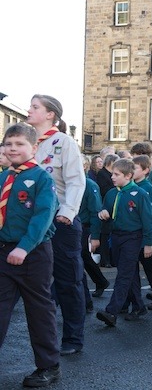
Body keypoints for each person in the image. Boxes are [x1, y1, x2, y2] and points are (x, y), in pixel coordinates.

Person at [0, 123, 61, 388]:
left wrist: (24, 247)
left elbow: (43, 217)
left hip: (33, 254)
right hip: (4, 253)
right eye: (8, 144)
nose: (13, 149)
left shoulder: (42, 178)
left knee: (39, 311)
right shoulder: (3, 178)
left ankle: (48, 366)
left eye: (20, 144)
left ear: (34, 147)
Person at [26, 94, 86, 356]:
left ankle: (73, 336)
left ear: (50, 114)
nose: (29, 110)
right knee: (30, 283)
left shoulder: (64, 143)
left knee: (67, 281)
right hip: (31, 223)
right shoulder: (27, 143)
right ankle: (40, 338)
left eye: (35, 107)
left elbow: (75, 180)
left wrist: (68, 211)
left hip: (60, 221)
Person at [96, 159, 152, 326]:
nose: (112, 177)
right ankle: (138, 305)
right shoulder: (112, 193)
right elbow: (104, 211)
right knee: (128, 272)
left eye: (117, 174)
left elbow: (148, 220)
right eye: (112, 174)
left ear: (129, 176)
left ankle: (111, 311)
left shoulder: (140, 194)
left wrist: (148, 242)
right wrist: (104, 214)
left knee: (123, 274)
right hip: (116, 237)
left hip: (133, 237)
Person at [131, 155, 152, 311]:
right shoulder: (130, 186)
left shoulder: (148, 188)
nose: (132, 170)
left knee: (150, 266)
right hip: (132, 234)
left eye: (136, 168)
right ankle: (131, 298)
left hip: (145, 233)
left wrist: (149, 239)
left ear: (145, 171)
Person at [79, 169, 110, 308]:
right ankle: (100, 281)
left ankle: (85, 299)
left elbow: (95, 211)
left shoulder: (90, 185)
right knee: (83, 258)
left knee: (79, 259)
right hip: (73, 227)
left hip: (83, 227)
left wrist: (95, 235)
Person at [96, 153, 118, 267]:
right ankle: (105, 259)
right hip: (106, 206)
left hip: (113, 207)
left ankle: (111, 258)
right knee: (105, 235)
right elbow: (104, 189)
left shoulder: (109, 174)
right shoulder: (102, 174)